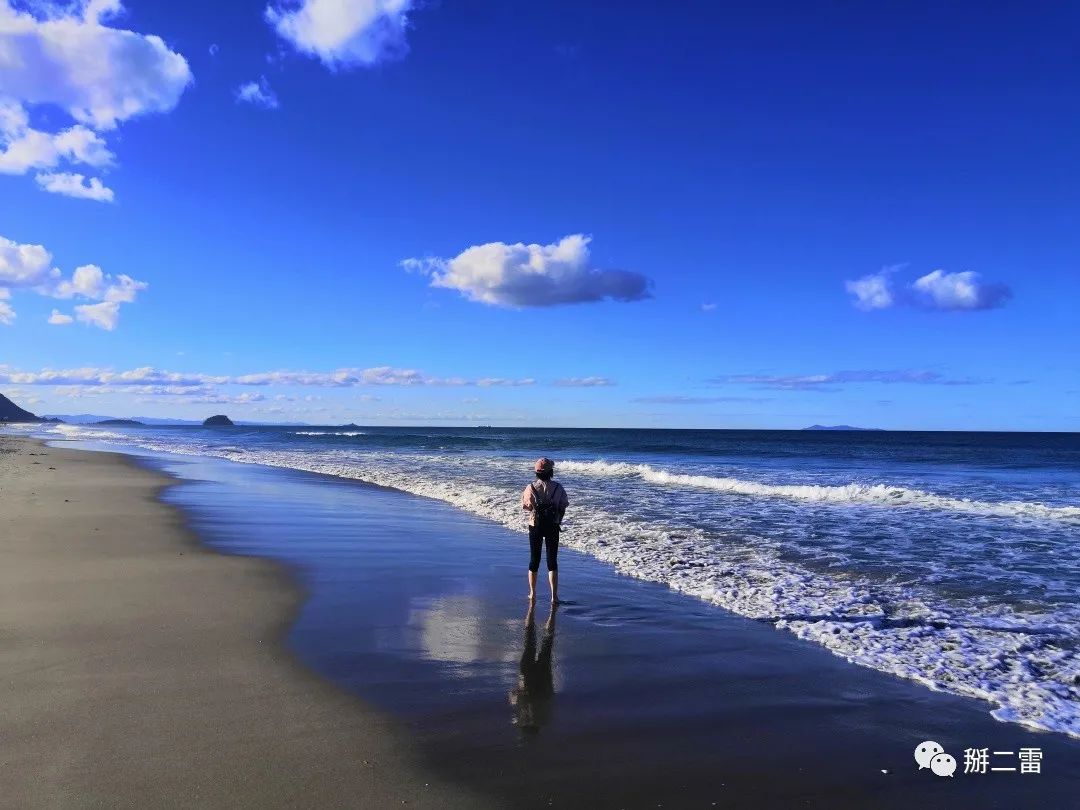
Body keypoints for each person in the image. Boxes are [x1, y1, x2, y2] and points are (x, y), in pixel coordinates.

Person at [521, 457, 569, 603]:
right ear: (551, 472)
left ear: (536, 473)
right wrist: (557, 518)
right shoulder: (558, 487)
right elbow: (563, 505)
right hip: (553, 525)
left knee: (534, 560)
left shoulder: (531, 487)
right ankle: (554, 597)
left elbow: (526, 506)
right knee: (552, 561)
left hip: (535, 525)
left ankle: (533, 593)